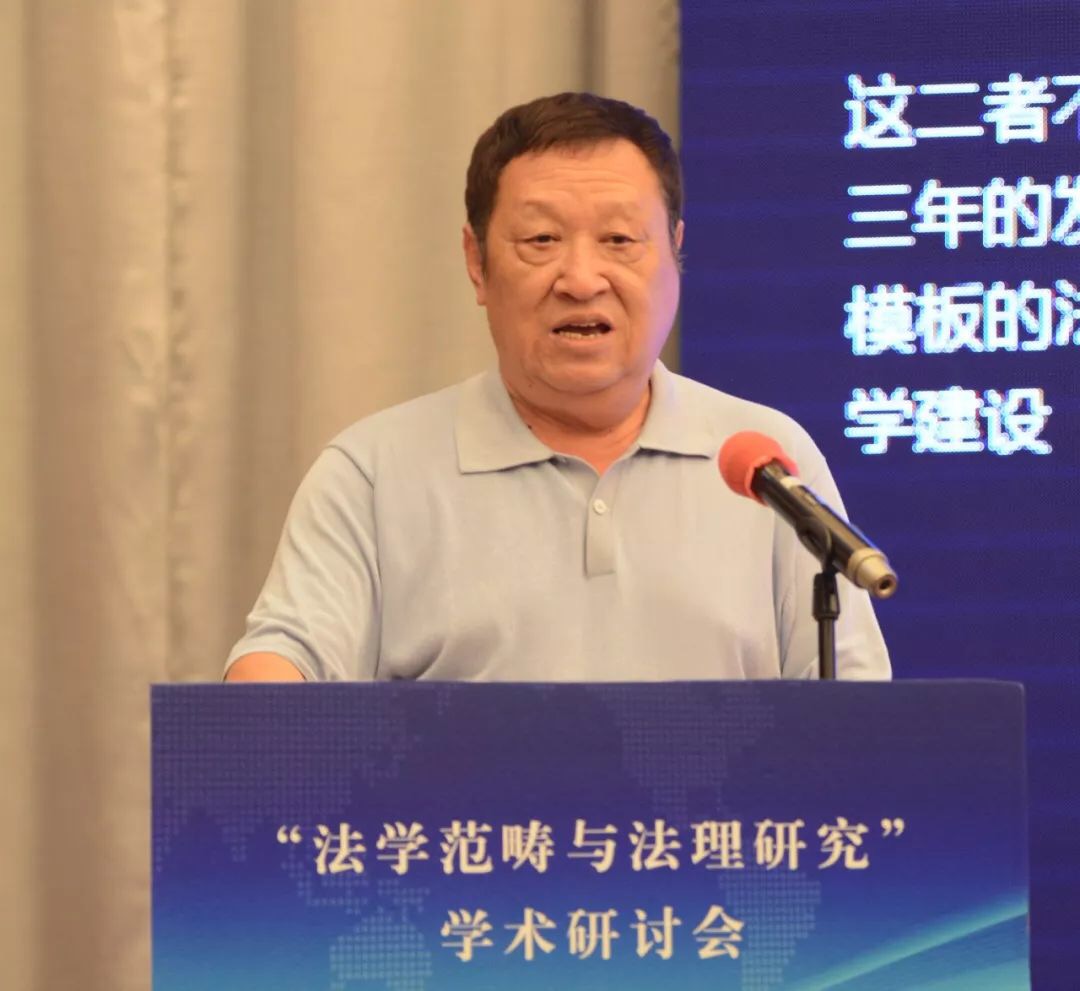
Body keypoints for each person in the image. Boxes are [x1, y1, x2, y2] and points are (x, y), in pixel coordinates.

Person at [225, 92, 890, 684]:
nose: (581, 279)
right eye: (541, 239)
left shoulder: (766, 464)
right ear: (477, 263)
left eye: (619, 239)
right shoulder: (373, 472)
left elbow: (856, 716)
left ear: (675, 251)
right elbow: (286, 663)